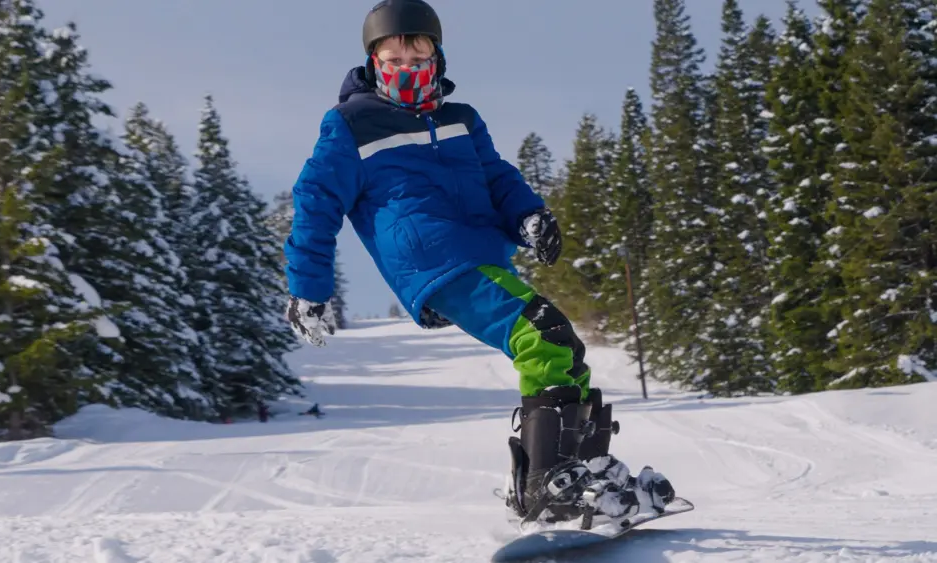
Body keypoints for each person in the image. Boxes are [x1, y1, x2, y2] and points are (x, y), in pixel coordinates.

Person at [284, 0, 675, 525]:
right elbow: (316, 201)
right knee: (544, 336)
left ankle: (586, 475)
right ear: (374, 57)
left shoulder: (460, 119)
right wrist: (308, 287)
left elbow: (497, 177)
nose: (405, 61)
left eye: (416, 47)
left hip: (480, 254)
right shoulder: (351, 124)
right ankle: (547, 489)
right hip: (431, 259)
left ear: (436, 53)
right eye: (392, 51)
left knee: (564, 349)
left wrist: (529, 217)